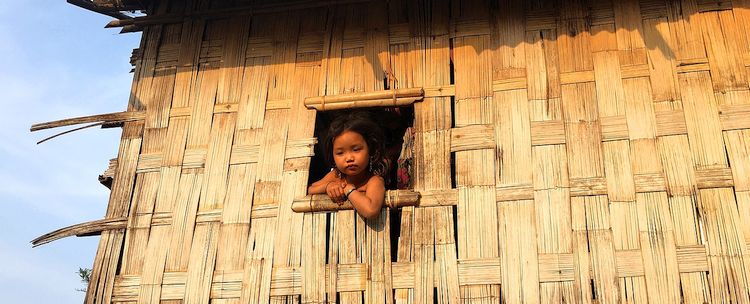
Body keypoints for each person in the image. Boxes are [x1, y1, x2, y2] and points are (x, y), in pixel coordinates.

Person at [307, 111, 387, 219]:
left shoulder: (374, 181)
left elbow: (371, 211)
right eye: (340, 153)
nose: (349, 158)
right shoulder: (336, 175)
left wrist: (349, 190)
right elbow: (310, 189)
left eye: (356, 149)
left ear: (370, 149)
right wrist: (328, 186)